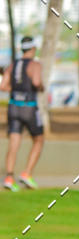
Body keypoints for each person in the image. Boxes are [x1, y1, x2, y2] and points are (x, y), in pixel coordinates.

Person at [1, 35, 45, 191]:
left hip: (13, 107)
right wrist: (41, 88)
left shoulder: (13, 65)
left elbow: (3, 86)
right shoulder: (35, 65)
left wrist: (16, 90)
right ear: (33, 49)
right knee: (39, 140)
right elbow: (36, 82)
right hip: (29, 107)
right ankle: (27, 173)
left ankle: (9, 177)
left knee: (14, 143)